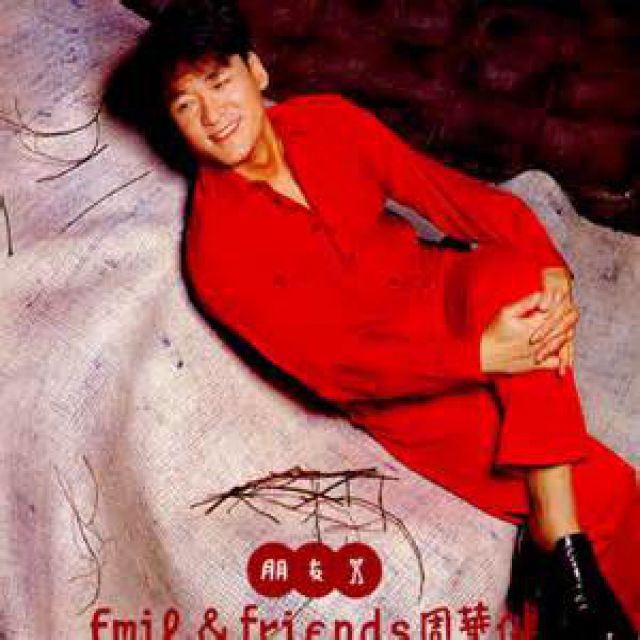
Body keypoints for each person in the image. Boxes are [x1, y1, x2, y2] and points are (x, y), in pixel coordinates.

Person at [114, 0, 639, 637]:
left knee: (521, 277)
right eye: (185, 105)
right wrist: (477, 357)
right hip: (399, 387)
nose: (212, 115)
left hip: (438, 289)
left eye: (219, 82)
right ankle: (562, 575)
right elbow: (334, 369)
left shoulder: (329, 122)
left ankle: (553, 536)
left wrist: (553, 266)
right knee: (611, 491)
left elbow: (448, 194)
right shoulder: (216, 252)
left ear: (256, 71)